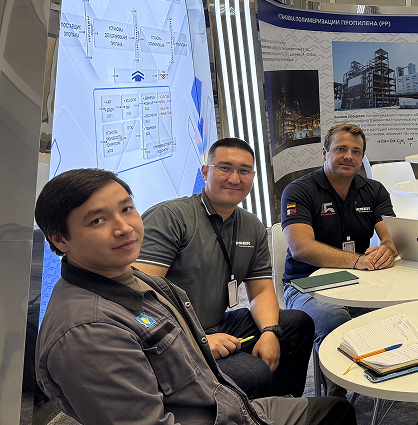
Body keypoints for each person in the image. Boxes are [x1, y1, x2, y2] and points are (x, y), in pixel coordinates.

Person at [34, 168, 356, 425]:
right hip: (214, 409)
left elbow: (259, 289)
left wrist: (265, 333)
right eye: (98, 220)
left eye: (126, 209)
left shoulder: (137, 281)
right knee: (315, 404)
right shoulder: (88, 333)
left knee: (323, 386)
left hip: (221, 398)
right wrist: (203, 343)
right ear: (60, 239)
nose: (124, 228)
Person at [135, 138, 313, 399]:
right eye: (225, 168)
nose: (234, 178)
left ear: (252, 177)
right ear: (206, 172)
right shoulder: (169, 217)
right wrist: (195, 340)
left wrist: (269, 332)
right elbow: (140, 299)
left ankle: (282, 408)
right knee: (253, 373)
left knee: (296, 324)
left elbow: (261, 291)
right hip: (170, 338)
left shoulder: (252, 226)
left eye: (244, 171)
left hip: (216, 325)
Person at [280, 124, 398, 349]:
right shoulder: (298, 191)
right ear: (325, 153)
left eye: (356, 151)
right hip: (307, 283)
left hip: (359, 279)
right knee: (336, 321)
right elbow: (301, 248)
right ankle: (337, 374)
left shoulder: (375, 191)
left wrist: (388, 249)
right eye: (340, 149)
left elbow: (392, 238)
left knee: (395, 314)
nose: (348, 156)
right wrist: (357, 260)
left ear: (362, 158)